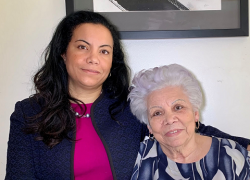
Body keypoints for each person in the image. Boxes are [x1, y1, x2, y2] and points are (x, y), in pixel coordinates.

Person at [5, 11, 250, 180]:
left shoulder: (127, 108)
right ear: (63, 53)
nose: (93, 58)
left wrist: (245, 144)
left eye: (104, 51)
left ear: (112, 62)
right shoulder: (29, 113)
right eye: (82, 47)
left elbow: (186, 127)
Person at [128, 64, 250, 180]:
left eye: (178, 107)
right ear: (149, 125)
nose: (170, 119)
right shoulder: (136, 161)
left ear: (195, 113)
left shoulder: (233, 156)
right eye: (157, 113)